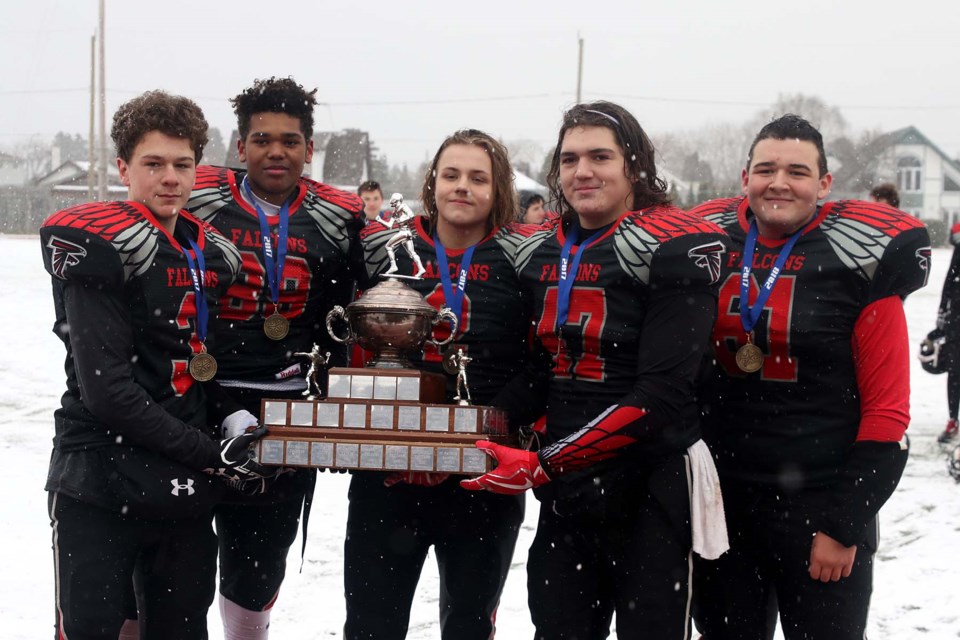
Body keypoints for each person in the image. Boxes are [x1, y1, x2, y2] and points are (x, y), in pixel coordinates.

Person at [462, 101, 729, 640]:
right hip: (569, 492)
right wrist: (473, 424)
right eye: (570, 159)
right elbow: (544, 366)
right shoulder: (542, 249)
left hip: (650, 484)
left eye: (600, 156)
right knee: (557, 627)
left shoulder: (675, 243)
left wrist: (547, 462)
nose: (582, 171)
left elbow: (663, 393)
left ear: (634, 164)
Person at [690, 114, 931, 640]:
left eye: (797, 171)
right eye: (766, 168)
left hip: (820, 501)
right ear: (743, 177)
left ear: (824, 185)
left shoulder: (858, 261)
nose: (779, 182)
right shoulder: (705, 249)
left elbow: (888, 413)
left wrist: (844, 525)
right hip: (723, 503)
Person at [40, 91, 269, 640]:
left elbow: (198, 358)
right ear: (123, 167)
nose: (170, 177)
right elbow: (108, 392)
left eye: (182, 164)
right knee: (92, 628)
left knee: (180, 628)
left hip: (179, 482)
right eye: (153, 163)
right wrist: (209, 454)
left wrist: (232, 414)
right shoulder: (101, 243)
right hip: (101, 475)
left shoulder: (202, 248)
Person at [186, 76, 365, 640]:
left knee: (258, 565)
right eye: (262, 139)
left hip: (286, 409)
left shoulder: (341, 217)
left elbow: (352, 312)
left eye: (290, 140)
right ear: (240, 147)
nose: (276, 151)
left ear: (309, 149)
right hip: (194, 401)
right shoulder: (198, 198)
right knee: (176, 556)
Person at [344, 129, 530, 640]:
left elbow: (539, 360)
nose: (462, 187)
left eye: (478, 177)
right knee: (370, 624)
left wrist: (476, 431)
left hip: (480, 473)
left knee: (470, 624)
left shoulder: (524, 258)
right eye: (451, 175)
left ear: (499, 189)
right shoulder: (384, 248)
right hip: (390, 471)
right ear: (432, 182)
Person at [935, 220, 960, 443]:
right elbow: (950, 279)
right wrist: (942, 314)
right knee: (955, 370)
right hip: (957, 317)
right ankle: (953, 419)